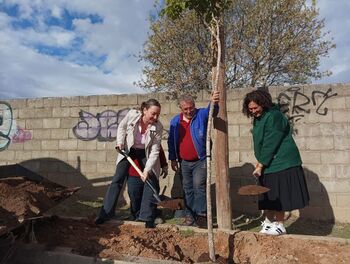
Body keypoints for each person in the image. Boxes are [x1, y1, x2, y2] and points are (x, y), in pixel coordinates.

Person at [242, 89, 309, 235]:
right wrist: (261, 162)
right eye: (250, 109)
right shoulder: (259, 118)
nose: (253, 111)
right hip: (269, 162)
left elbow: (270, 143)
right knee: (268, 194)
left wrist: (260, 165)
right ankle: (268, 222)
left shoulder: (274, 116)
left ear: (263, 104)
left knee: (279, 194)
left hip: (282, 162)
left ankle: (279, 225)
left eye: (255, 108)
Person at [95, 99, 163, 228]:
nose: (155, 117)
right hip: (128, 150)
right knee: (117, 179)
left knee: (151, 179)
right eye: (153, 114)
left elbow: (155, 151)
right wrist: (120, 142)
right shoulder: (132, 115)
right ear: (144, 110)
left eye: (157, 115)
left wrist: (146, 170)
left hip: (145, 152)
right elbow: (122, 127)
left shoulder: (158, 126)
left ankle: (146, 216)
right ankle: (105, 214)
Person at [168, 90, 220, 227]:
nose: (189, 111)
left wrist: (214, 101)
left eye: (191, 108)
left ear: (194, 106)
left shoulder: (201, 114)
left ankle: (202, 217)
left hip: (200, 160)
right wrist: (173, 158)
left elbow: (212, 111)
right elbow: (171, 141)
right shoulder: (175, 121)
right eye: (186, 109)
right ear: (181, 108)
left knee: (198, 186)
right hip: (184, 162)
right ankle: (190, 217)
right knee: (187, 189)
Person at [127, 145, 168, 221]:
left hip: (150, 172)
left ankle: (147, 216)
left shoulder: (151, 136)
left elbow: (158, 150)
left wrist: (164, 165)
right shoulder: (132, 136)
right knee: (133, 193)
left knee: (149, 197)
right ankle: (136, 214)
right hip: (134, 171)